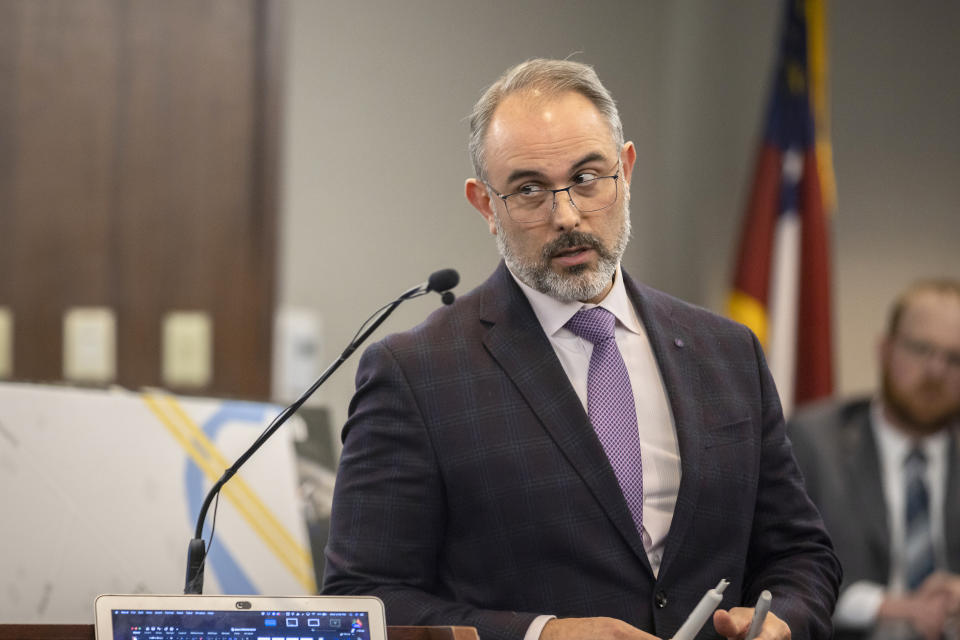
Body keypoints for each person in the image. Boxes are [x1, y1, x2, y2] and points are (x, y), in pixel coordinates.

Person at [323, 58, 840, 640]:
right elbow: (361, 603)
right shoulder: (416, 373)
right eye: (528, 190)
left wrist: (783, 622)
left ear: (627, 169)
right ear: (485, 206)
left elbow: (801, 554)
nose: (566, 215)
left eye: (588, 178)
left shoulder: (727, 352)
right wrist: (541, 634)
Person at [790, 280, 960, 640]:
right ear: (885, 350)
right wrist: (892, 607)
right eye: (920, 349)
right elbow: (784, 571)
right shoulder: (815, 443)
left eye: (954, 358)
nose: (935, 372)